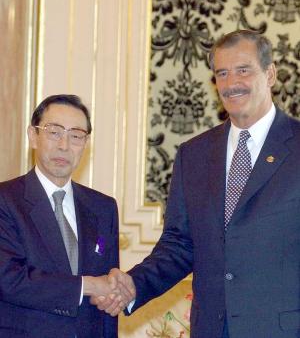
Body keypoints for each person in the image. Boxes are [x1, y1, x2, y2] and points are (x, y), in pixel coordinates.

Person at [94, 30, 300, 338]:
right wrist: (132, 285)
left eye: (243, 70)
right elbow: (180, 245)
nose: (231, 84)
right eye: (222, 73)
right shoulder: (194, 154)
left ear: (270, 74)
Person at [0, 94, 131, 338]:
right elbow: (9, 280)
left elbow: (108, 302)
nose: (64, 145)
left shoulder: (103, 208)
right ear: (33, 136)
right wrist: (89, 285)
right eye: (54, 132)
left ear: (85, 143)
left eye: (76, 136)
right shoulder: (6, 200)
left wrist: (112, 293)